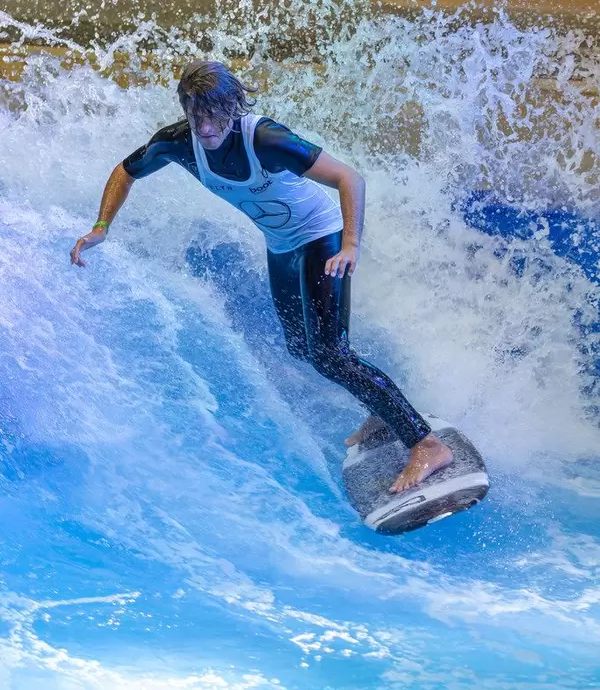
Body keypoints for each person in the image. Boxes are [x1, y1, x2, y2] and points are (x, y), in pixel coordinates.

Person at [69, 60, 453, 494]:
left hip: (322, 237)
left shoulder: (267, 140)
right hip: (282, 246)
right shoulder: (178, 143)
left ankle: (426, 444)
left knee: (330, 353)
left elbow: (349, 178)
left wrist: (350, 245)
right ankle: (383, 410)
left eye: (213, 115)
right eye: (195, 115)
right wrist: (101, 226)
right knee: (302, 348)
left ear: (233, 107)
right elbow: (126, 170)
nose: (204, 127)